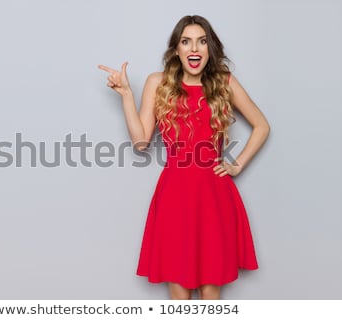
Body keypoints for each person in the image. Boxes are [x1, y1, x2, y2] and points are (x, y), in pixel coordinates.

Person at [98, 15, 270, 300]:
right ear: (176, 49)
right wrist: (127, 95)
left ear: (209, 48)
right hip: (175, 197)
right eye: (186, 41)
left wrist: (236, 165)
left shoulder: (223, 82)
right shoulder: (158, 82)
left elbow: (262, 126)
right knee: (179, 294)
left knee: (210, 291)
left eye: (202, 41)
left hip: (214, 197)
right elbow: (141, 141)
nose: (194, 49)